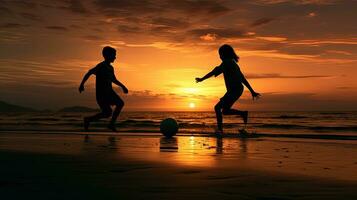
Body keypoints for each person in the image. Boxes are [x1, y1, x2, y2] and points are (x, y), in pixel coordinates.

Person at [195, 44, 260, 134]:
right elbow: (242, 78)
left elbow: (213, 72)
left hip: (234, 90)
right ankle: (242, 114)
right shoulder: (234, 63)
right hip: (237, 89)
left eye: (220, 54)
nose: (219, 56)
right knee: (225, 110)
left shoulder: (227, 63)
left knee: (217, 108)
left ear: (224, 54)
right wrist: (252, 91)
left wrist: (202, 79)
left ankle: (220, 130)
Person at [79, 46, 128, 132]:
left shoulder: (110, 68)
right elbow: (89, 72)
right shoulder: (101, 66)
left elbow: (114, 79)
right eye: (113, 55)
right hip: (101, 94)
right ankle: (90, 120)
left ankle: (108, 123)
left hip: (110, 92)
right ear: (107, 55)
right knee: (108, 112)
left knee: (117, 105)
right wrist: (82, 84)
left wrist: (123, 86)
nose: (115, 57)